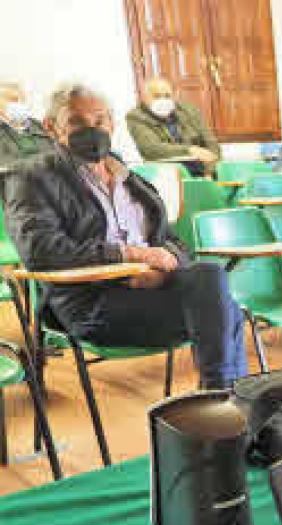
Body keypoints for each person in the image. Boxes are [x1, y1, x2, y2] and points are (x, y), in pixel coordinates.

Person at [1, 83, 247, 389]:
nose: (91, 129)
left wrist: (162, 270)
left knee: (211, 281)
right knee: (224, 311)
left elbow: (174, 243)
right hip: (92, 303)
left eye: (100, 120)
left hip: (151, 290)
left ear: (112, 124)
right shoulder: (30, 177)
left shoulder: (130, 178)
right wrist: (130, 255)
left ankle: (220, 404)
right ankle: (225, 403)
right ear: (51, 128)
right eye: (76, 122)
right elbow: (40, 251)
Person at [124, 77, 220, 177]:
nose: (163, 100)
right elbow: (151, 149)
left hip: (202, 170)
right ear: (144, 98)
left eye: (167, 96)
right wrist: (190, 150)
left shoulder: (188, 110)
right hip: (166, 174)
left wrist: (209, 172)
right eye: (156, 96)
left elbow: (211, 142)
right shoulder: (136, 116)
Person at [0, 81, 55, 166]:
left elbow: (59, 155)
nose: (19, 103)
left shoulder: (40, 126)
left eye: (22, 99)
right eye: (13, 100)